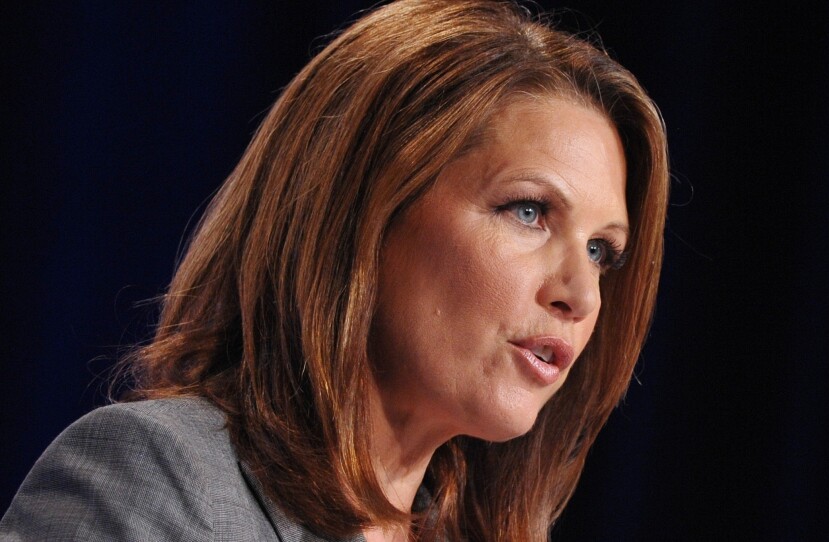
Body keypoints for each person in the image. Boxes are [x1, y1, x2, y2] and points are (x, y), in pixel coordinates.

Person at [0, 0, 668, 540]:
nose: (580, 296)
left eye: (601, 252)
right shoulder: (156, 477)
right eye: (528, 211)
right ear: (364, 212)